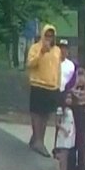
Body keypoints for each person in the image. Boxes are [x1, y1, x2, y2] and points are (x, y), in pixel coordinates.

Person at [26, 23, 61, 158]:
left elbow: (58, 69)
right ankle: (38, 141)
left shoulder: (57, 50)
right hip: (38, 84)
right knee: (36, 113)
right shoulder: (35, 48)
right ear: (42, 35)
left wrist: (58, 85)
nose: (49, 38)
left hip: (52, 87)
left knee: (46, 115)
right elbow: (30, 63)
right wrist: (41, 53)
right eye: (47, 35)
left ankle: (38, 138)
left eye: (51, 36)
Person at [53, 93, 76, 170]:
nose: (69, 100)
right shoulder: (60, 109)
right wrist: (64, 130)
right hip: (63, 134)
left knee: (66, 154)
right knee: (64, 154)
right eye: (67, 98)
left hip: (70, 134)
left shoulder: (70, 109)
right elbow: (57, 122)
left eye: (70, 98)